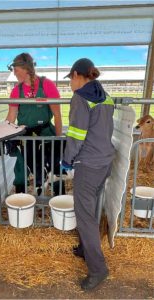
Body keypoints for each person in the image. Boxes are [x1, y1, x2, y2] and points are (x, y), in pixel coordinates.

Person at [62, 58, 115, 291]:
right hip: (105, 161)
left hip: (89, 163)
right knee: (90, 209)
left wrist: (66, 159)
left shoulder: (80, 98)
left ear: (76, 75)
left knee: (84, 215)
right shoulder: (106, 97)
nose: (70, 85)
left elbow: (76, 134)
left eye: (70, 80)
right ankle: (85, 247)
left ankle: (98, 270)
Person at [6, 52, 63, 194]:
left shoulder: (47, 85)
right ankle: (20, 199)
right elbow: (11, 117)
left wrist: (58, 139)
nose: (14, 74)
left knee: (53, 164)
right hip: (25, 134)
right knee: (21, 166)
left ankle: (58, 196)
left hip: (45, 132)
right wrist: (4, 136)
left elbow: (57, 114)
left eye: (16, 70)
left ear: (26, 69)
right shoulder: (16, 91)